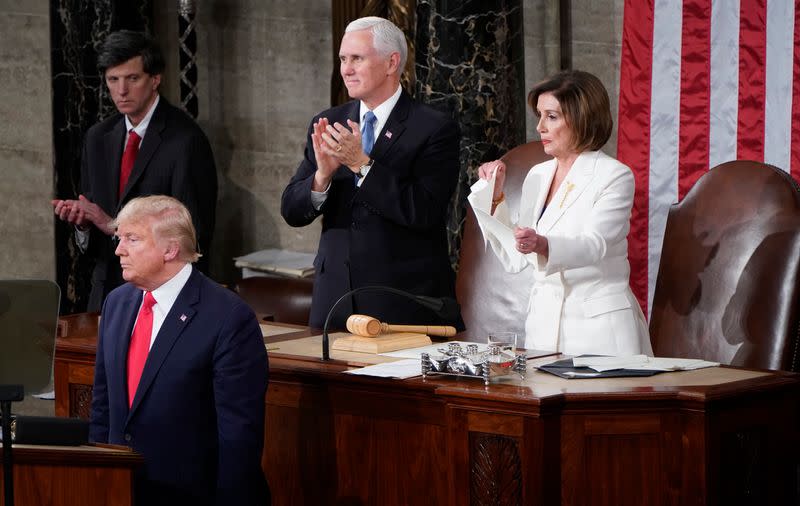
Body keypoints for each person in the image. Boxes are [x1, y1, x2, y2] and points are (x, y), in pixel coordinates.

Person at [281, 16, 463, 329]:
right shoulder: (328, 121)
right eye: (342, 59)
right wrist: (321, 177)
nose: (346, 70)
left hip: (399, 302)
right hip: (334, 301)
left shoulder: (433, 128)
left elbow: (423, 210)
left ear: (392, 62)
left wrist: (361, 164)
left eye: (357, 59)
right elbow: (292, 211)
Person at [89, 195, 269, 506]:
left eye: (132, 239)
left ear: (170, 249)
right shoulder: (117, 303)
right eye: (120, 238)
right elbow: (102, 407)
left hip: (192, 494)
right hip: (121, 489)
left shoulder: (228, 317)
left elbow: (239, 436)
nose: (119, 249)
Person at [468, 70, 652, 356]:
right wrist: (496, 197)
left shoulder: (614, 175)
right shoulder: (538, 175)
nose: (540, 127)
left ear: (581, 119)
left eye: (551, 117)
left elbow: (596, 244)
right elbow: (518, 256)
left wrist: (544, 244)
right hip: (543, 329)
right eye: (539, 116)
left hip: (599, 331)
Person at [52, 30, 217, 312]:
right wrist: (83, 225)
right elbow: (94, 243)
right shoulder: (97, 137)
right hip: (106, 297)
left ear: (155, 79)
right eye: (113, 80)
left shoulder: (186, 140)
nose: (121, 90)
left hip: (161, 298)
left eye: (132, 78)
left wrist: (114, 226)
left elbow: (193, 237)